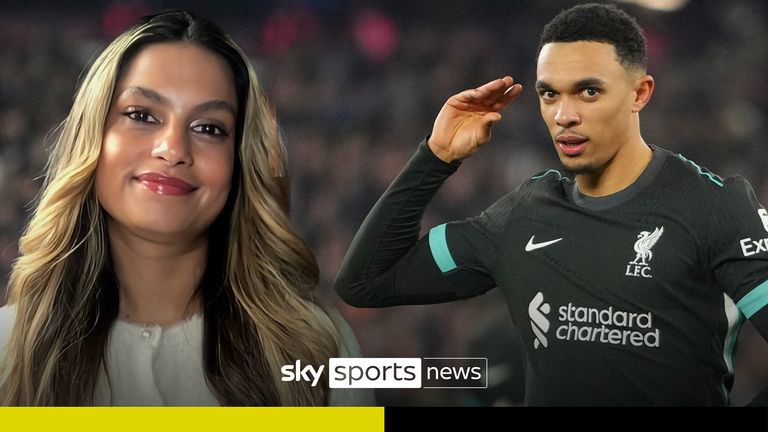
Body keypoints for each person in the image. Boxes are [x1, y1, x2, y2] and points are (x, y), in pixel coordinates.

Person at [334, 3, 768, 406]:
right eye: (549, 94)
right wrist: (436, 156)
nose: (564, 115)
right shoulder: (523, 215)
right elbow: (366, 281)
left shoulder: (715, 206)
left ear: (640, 93)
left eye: (588, 92)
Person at [0, 10, 373, 406]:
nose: (173, 150)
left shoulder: (320, 349)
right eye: (142, 115)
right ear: (92, 137)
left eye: (209, 128)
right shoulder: (7, 348)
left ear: (239, 162)